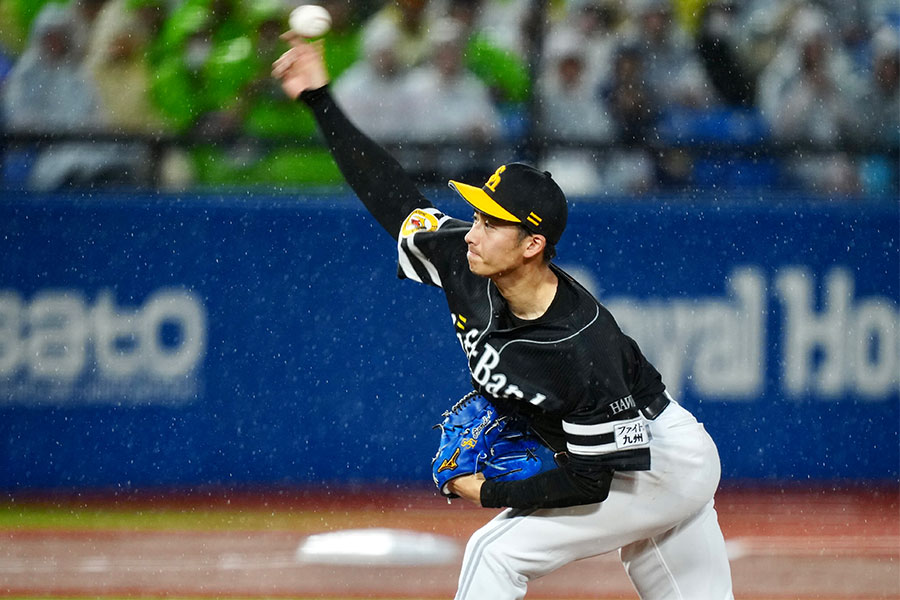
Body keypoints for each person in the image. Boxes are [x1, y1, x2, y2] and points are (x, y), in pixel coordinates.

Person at [272, 39, 734, 599]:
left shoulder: (579, 343)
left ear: (532, 243)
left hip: (653, 461)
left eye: (492, 223)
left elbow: (592, 479)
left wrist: (487, 490)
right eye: (476, 216)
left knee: (494, 552)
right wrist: (320, 98)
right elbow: (391, 196)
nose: (472, 232)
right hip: (630, 461)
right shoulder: (467, 263)